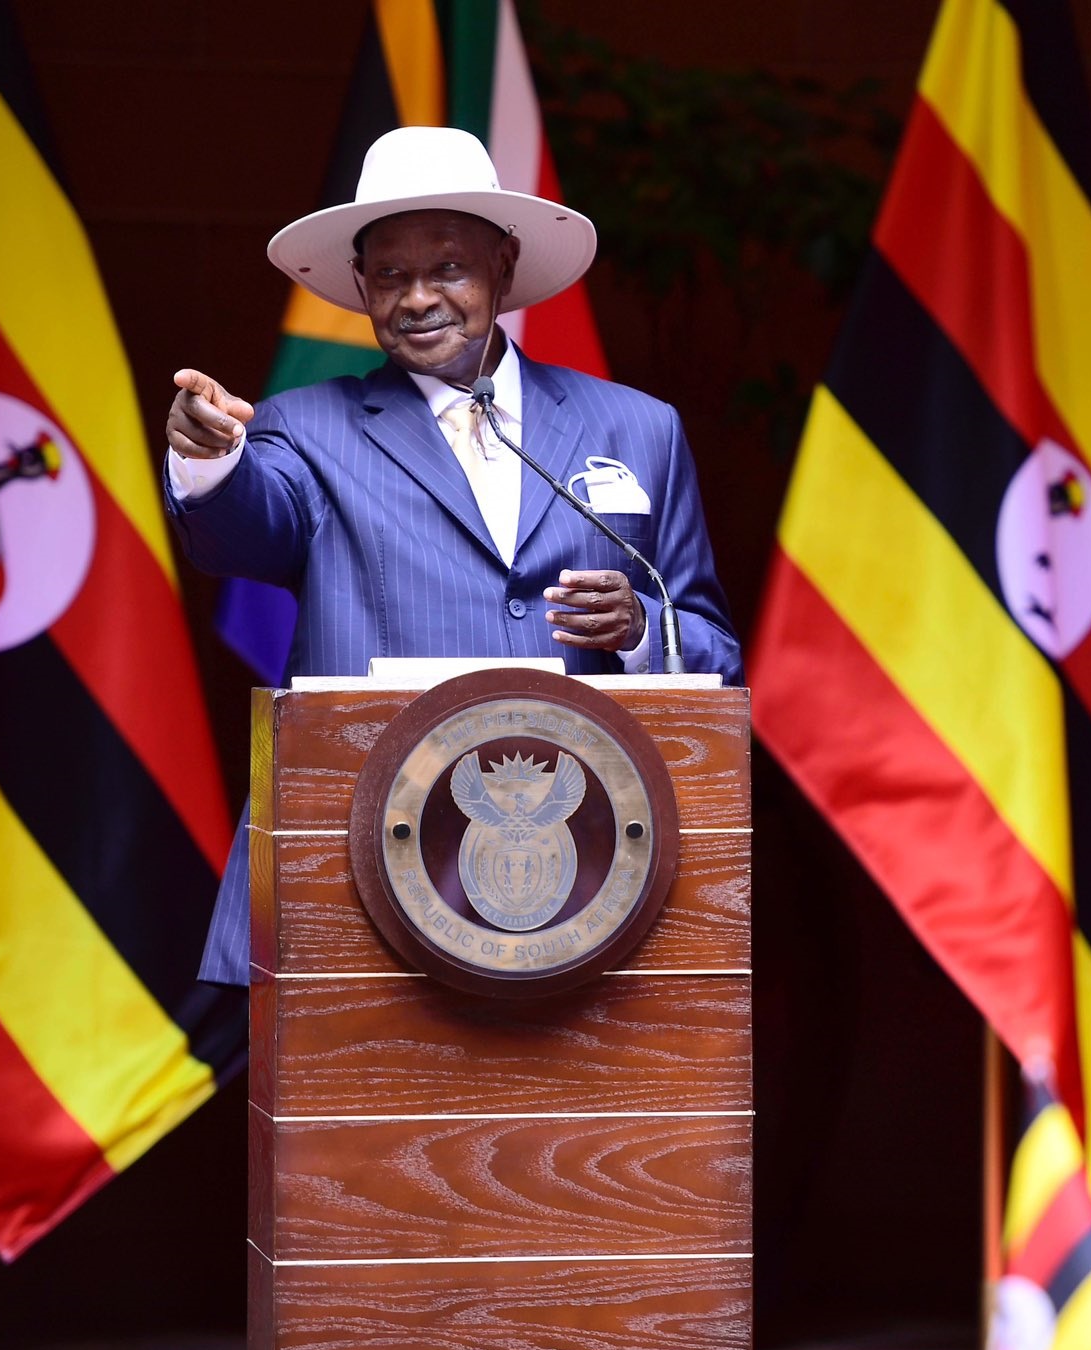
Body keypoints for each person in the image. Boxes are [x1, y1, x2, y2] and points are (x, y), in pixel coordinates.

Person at [165, 126, 741, 986]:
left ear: (504, 265)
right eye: (389, 276)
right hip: (358, 885)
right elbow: (245, 528)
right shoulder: (307, 427)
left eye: (447, 269)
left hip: (587, 891)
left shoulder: (637, 429)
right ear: (359, 284)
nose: (417, 298)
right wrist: (208, 459)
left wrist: (635, 629)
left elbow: (714, 653)